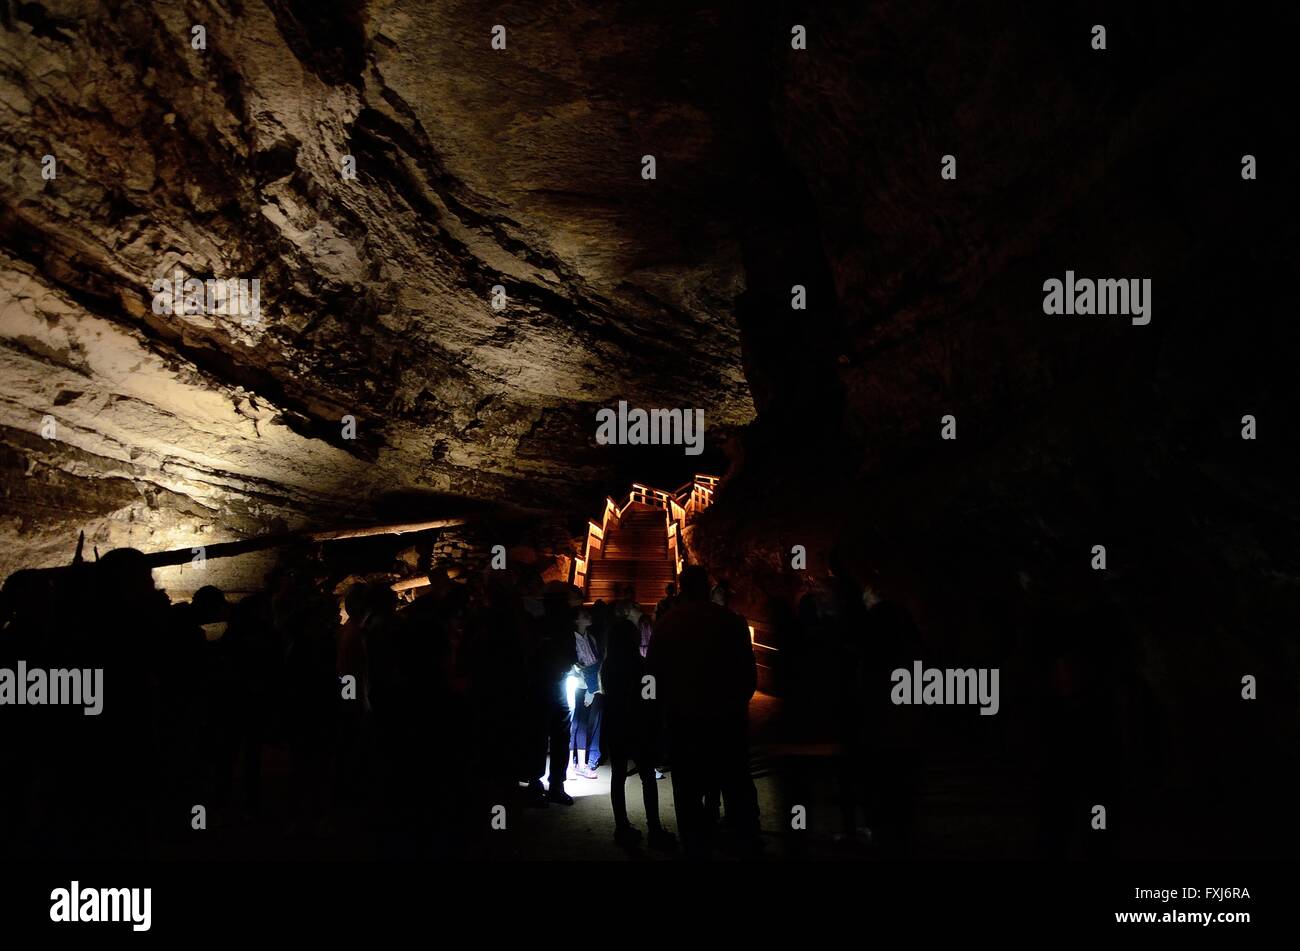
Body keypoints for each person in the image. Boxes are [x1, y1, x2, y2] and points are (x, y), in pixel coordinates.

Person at [647, 565, 759, 859]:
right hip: (727, 720)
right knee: (736, 786)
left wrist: (662, 713)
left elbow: (654, 675)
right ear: (708, 587)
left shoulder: (667, 624)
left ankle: (696, 846)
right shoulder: (732, 622)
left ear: (682, 587)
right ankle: (743, 843)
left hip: (684, 721)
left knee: (687, 791)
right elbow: (748, 675)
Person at [601, 602, 675, 850]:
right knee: (647, 777)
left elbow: (608, 696)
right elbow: (651, 700)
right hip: (640, 728)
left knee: (618, 776)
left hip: (616, 726)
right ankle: (654, 828)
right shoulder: (643, 669)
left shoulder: (608, 668)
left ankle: (621, 826)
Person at [569, 608, 603, 778]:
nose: (588, 617)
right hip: (577, 683)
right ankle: (571, 764)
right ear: (576, 620)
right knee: (575, 722)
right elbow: (577, 665)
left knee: (582, 722)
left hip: (589, 683)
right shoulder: (571, 639)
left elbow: (595, 661)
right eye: (584, 615)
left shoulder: (590, 638)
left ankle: (580, 764)